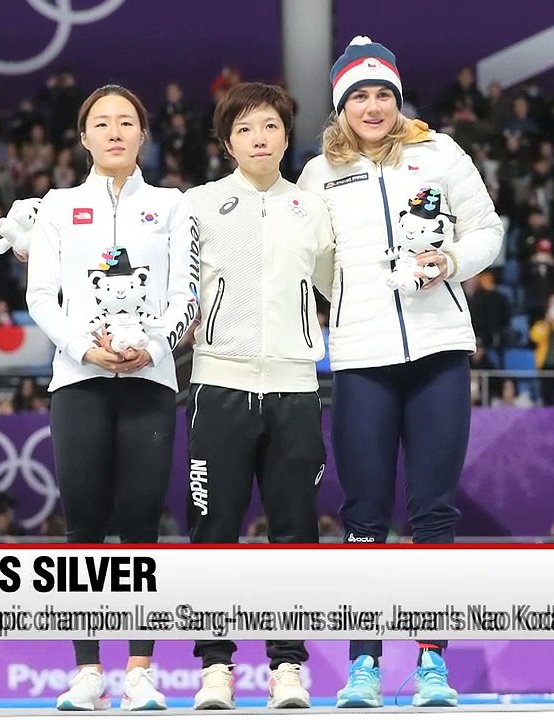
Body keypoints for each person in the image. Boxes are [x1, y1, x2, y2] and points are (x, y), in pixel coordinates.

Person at [297, 36, 502, 708]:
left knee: (434, 512)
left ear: (397, 97)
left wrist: (453, 265)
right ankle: (363, 664)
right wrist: (347, 297)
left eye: (383, 92)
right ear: (342, 105)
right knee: (363, 513)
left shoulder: (439, 153)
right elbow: (311, 258)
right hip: (360, 357)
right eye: (360, 95)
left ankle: (431, 662)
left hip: (441, 347)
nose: (374, 105)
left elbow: (486, 230)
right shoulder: (320, 171)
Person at [21, 84, 199, 712]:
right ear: (84, 136)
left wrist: (154, 349)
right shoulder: (57, 208)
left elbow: (186, 295)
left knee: (142, 527)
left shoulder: (173, 206)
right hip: (79, 381)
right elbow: (40, 296)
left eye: (128, 121)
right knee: (84, 528)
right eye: (103, 122)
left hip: (150, 380)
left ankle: (142, 673)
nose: (116, 131)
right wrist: (82, 349)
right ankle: (88, 671)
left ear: (143, 135)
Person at [181, 82, 335, 711]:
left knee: (296, 532)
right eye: (245, 129)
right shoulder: (198, 205)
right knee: (213, 531)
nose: (260, 138)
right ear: (227, 143)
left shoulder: (312, 208)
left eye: (270, 125)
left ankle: (288, 668)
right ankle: (216, 667)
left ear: (286, 134)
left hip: (296, 389)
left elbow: (339, 286)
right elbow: (176, 290)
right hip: (218, 384)